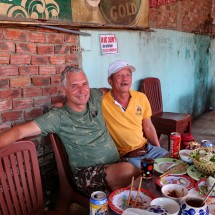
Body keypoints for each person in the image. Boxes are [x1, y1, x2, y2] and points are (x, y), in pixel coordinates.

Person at [0, 65, 140, 197]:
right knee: (129, 173)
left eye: (84, 84)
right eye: (74, 86)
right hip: (86, 175)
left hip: (115, 163)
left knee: (146, 168)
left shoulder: (94, 97)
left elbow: (106, 90)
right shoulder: (58, 117)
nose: (82, 90)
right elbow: (18, 132)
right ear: (63, 90)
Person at [102, 60, 168, 169]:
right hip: (129, 157)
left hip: (148, 149)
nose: (125, 79)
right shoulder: (102, 101)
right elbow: (84, 94)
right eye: (119, 75)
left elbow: (148, 127)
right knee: (146, 175)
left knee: (173, 163)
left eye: (128, 75)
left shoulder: (141, 97)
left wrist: (158, 148)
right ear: (110, 81)